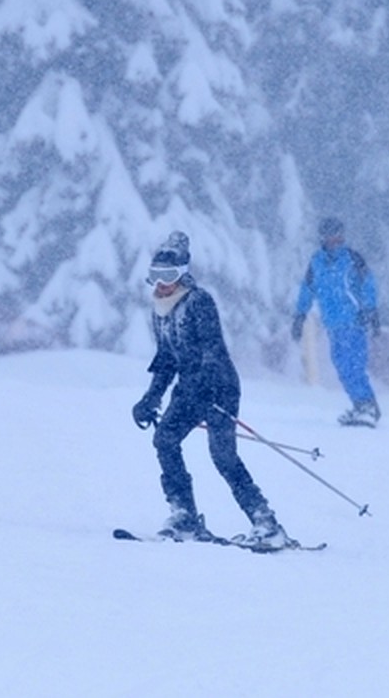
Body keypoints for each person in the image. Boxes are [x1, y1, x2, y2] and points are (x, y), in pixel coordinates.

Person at [131, 231, 289, 549]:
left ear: (183, 274)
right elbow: (165, 359)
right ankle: (184, 514)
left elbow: (212, 350)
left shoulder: (198, 301)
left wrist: (206, 387)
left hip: (219, 388)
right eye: (156, 275)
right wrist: (151, 397)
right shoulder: (159, 309)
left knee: (223, 456)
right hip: (188, 389)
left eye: (169, 275)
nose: (162, 283)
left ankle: (266, 523)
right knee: (165, 439)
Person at [291, 217, 381, 427]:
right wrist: (300, 314)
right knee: (341, 366)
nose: (335, 240)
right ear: (323, 237)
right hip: (333, 325)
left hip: (354, 322)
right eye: (330, 235)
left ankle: (368, 406)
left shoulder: (352, 259)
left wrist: (371, 311)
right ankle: (360, 405)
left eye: (338, 235)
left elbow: (368, 284)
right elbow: (307, 289)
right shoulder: (317, 262)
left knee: (353, 366)